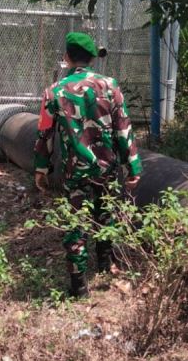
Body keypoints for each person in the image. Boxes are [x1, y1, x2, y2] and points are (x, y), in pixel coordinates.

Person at [33, 32, 143, 297]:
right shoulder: (110, 86)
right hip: (106, 168)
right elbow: (123, 129)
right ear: (93, 57)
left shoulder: (54, 91)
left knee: (76, 222)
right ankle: (105, 266)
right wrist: (133, 168)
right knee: (106, 213)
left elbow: (44, 134)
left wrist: (41, 169)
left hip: (74, 170)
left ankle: (78, 286)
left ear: (66, 58)